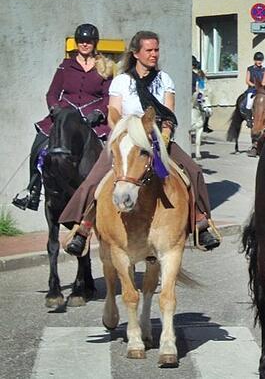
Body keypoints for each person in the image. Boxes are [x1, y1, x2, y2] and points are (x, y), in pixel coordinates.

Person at [60, 31, 221, 256]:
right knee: (95, 179)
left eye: (156, 50)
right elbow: (113, 112)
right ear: (136, 53)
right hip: (127, 138)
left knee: (192, 172)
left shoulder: (165, 79)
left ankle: (201, 223)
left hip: (157, 137)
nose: (154, 54)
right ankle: (83, 228)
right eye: (149, 50)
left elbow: (169, 113)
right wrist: (121, 133)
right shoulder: (122, 81)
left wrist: (164, 133)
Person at [12, 24, 113, 211]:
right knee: (39, 144)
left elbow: (108, 96)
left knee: (114, 149)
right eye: (81, 41)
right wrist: (55, 109)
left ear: (95, 43)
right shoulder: (66, 66)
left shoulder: (105, 67)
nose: (84, 44)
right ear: (76, 43)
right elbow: (52, 93)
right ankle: (32, 190)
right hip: (64, 116)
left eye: (88, 41)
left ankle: (111, 191)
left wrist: (99, 113)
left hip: (92, 118)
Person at [242, 51, 265, 125]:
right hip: (252, 89)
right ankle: (249, 120)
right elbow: (247, 81)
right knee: (249, 103)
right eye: (258, 60)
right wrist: (254, 85)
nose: (259, 62)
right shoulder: (250, 69)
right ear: (254, 60)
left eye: (260, 60)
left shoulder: (264, 70)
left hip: (261, 90)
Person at [191, 56, 213, 133]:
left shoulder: (198, 74)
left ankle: (205, 124)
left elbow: (201, 85)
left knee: (206, 106)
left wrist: (201, 93)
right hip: (187, 94)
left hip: (195, 93)